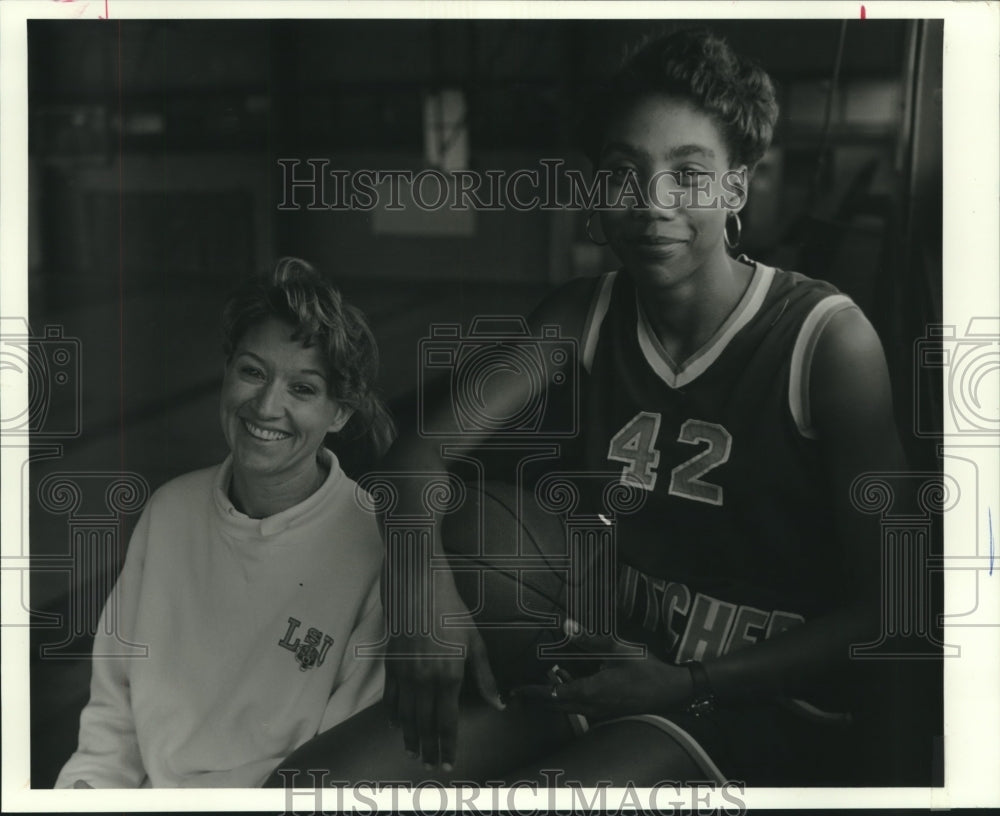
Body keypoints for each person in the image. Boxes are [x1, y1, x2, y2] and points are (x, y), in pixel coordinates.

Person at [375, 28, 907, 786]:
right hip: (611, 670)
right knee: (322, 785)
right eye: (624, 173)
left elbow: (890, 605)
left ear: (737, 188)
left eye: (688, 175)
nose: (653, 203)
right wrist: (418, 591)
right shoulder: (577, 315)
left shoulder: (827, 340)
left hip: (766, 708)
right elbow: (414, 457)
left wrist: (691, 685)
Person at [55, 257, 396, 788]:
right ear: (227, 371)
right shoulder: (170, 512)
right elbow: (111, 721)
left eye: (303, 389)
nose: (265, 405)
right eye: (252, 372)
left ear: (341, 412)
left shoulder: (373, 542)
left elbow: (339, 768)